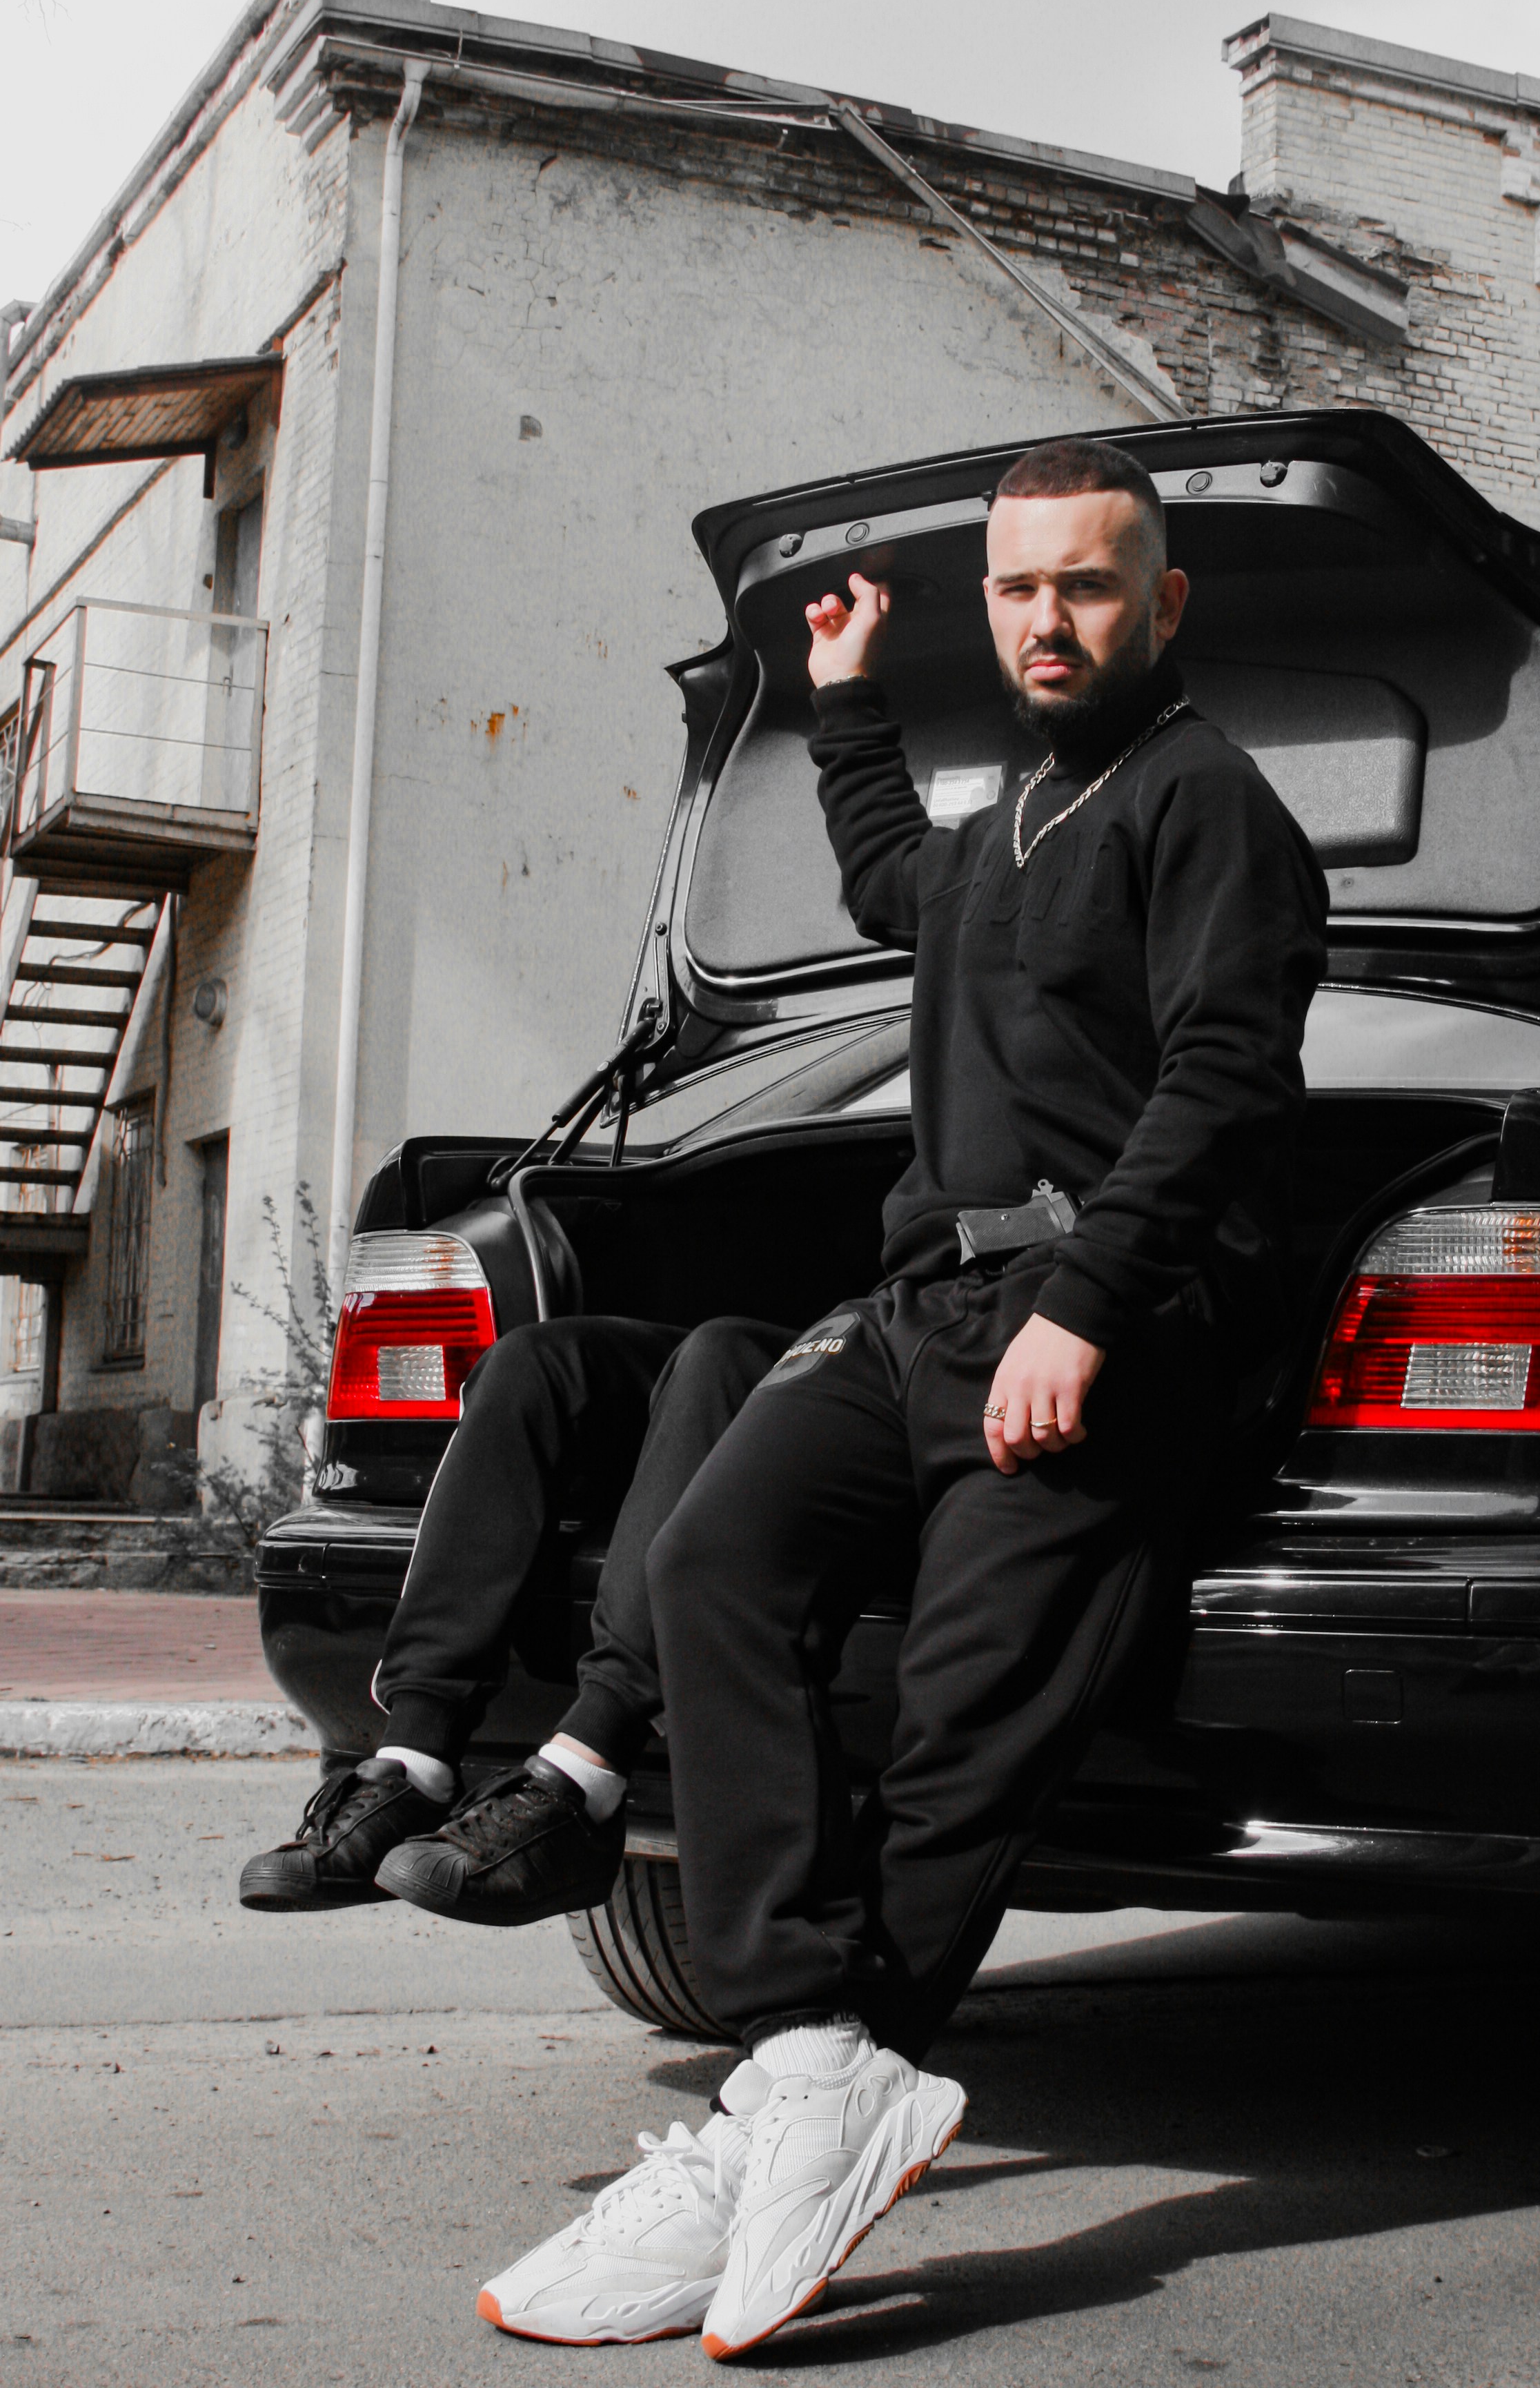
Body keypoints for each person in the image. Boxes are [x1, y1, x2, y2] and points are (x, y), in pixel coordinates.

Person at [476, 433, 1330, 2358]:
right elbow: (884, 881)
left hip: (1099, 1324)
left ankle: (809, 2100)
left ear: (1160, 601)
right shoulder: (1010, 823)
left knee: (963, 1719)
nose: (1050, 616)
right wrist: (847, 691)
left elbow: (1227, 1074)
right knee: (710, 1569)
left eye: (1089, 583)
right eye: (1022, 587)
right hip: (925, 1303)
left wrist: (1091, 1301)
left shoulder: (1209, 807)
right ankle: (803, 2055)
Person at [238, 1313, 792, 1919]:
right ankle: (417, 1759)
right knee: (531, 1360)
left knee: (723, 1352)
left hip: (867, 1348)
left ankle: (589, 1776)